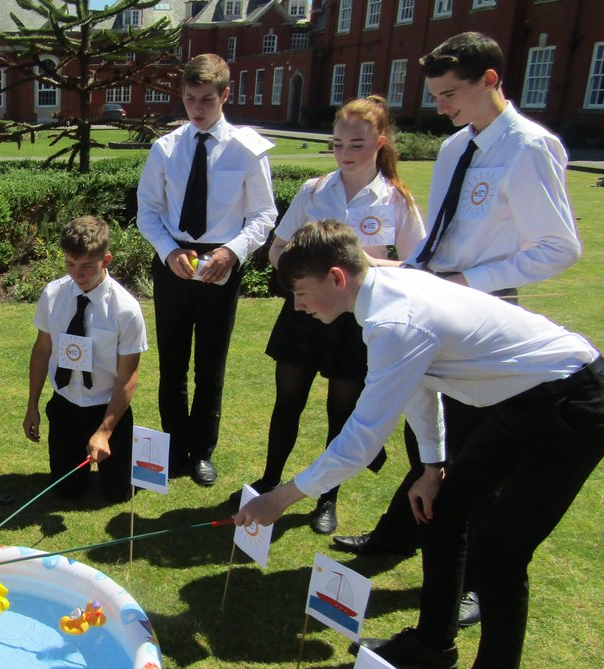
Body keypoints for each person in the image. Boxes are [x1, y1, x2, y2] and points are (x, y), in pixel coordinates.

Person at [237, 221, 604, 669]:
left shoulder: (394, 318)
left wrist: (282, 496)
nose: (297, 307)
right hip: (521, 400)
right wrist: (431, 467)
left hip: (571, 404)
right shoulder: (382, 302)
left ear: (336, 277)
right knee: (441, 509)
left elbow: (361, 440)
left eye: (299, 293)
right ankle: (435, 643)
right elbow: (420, 386)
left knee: (499, 556)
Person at [330, 33, 581, 626]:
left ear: (491, 80)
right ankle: (401, 535)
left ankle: (470, 577)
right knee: (428, 440)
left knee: (473, 454)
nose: (441, 107)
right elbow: (438, 238)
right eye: (437, 95)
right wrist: (406, 272)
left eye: (451, 94)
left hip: (482, 313)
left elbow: (559, 248)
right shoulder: (454, 149)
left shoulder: (529, 147)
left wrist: (471, 279)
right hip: (434, 298)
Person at [244, 96, 424, 534]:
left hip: (358, 317)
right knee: (288, 402)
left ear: (380, 143)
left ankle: (327, 498)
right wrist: (302, 280)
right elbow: (277, 249)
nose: (345, 153)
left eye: (357, 144)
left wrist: (365, 264)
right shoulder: (313, 190)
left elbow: (422, 265)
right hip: (306, 311)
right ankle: (269, 482)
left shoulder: (395, 199)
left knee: (341, 412)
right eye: (338, 143)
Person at [136, 53, 277, 487]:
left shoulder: (248, 149)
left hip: (221, 264)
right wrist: (167, 251)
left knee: (210, 365)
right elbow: (147, 211)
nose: (198, 109)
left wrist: (232, 253)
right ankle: (174, 447)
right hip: (174, 262)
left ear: (225, 96)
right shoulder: (166, 148)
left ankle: (202, 451)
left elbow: (264, 214)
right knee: (173, 363)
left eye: (207, 100)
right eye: (191, 99)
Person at [23, 216, 148, 502]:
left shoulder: (125, 309)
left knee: (118, 494)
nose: (77, 275)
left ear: (106, 259)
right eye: (70, 265)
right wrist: (32, 406)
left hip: (106, 409)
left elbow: (129, 377)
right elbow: (42, 350)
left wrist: (104, 431)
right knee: (66, 492)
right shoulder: (53, 295)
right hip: (65, 406)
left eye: (87, 266)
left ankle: (125, 453)